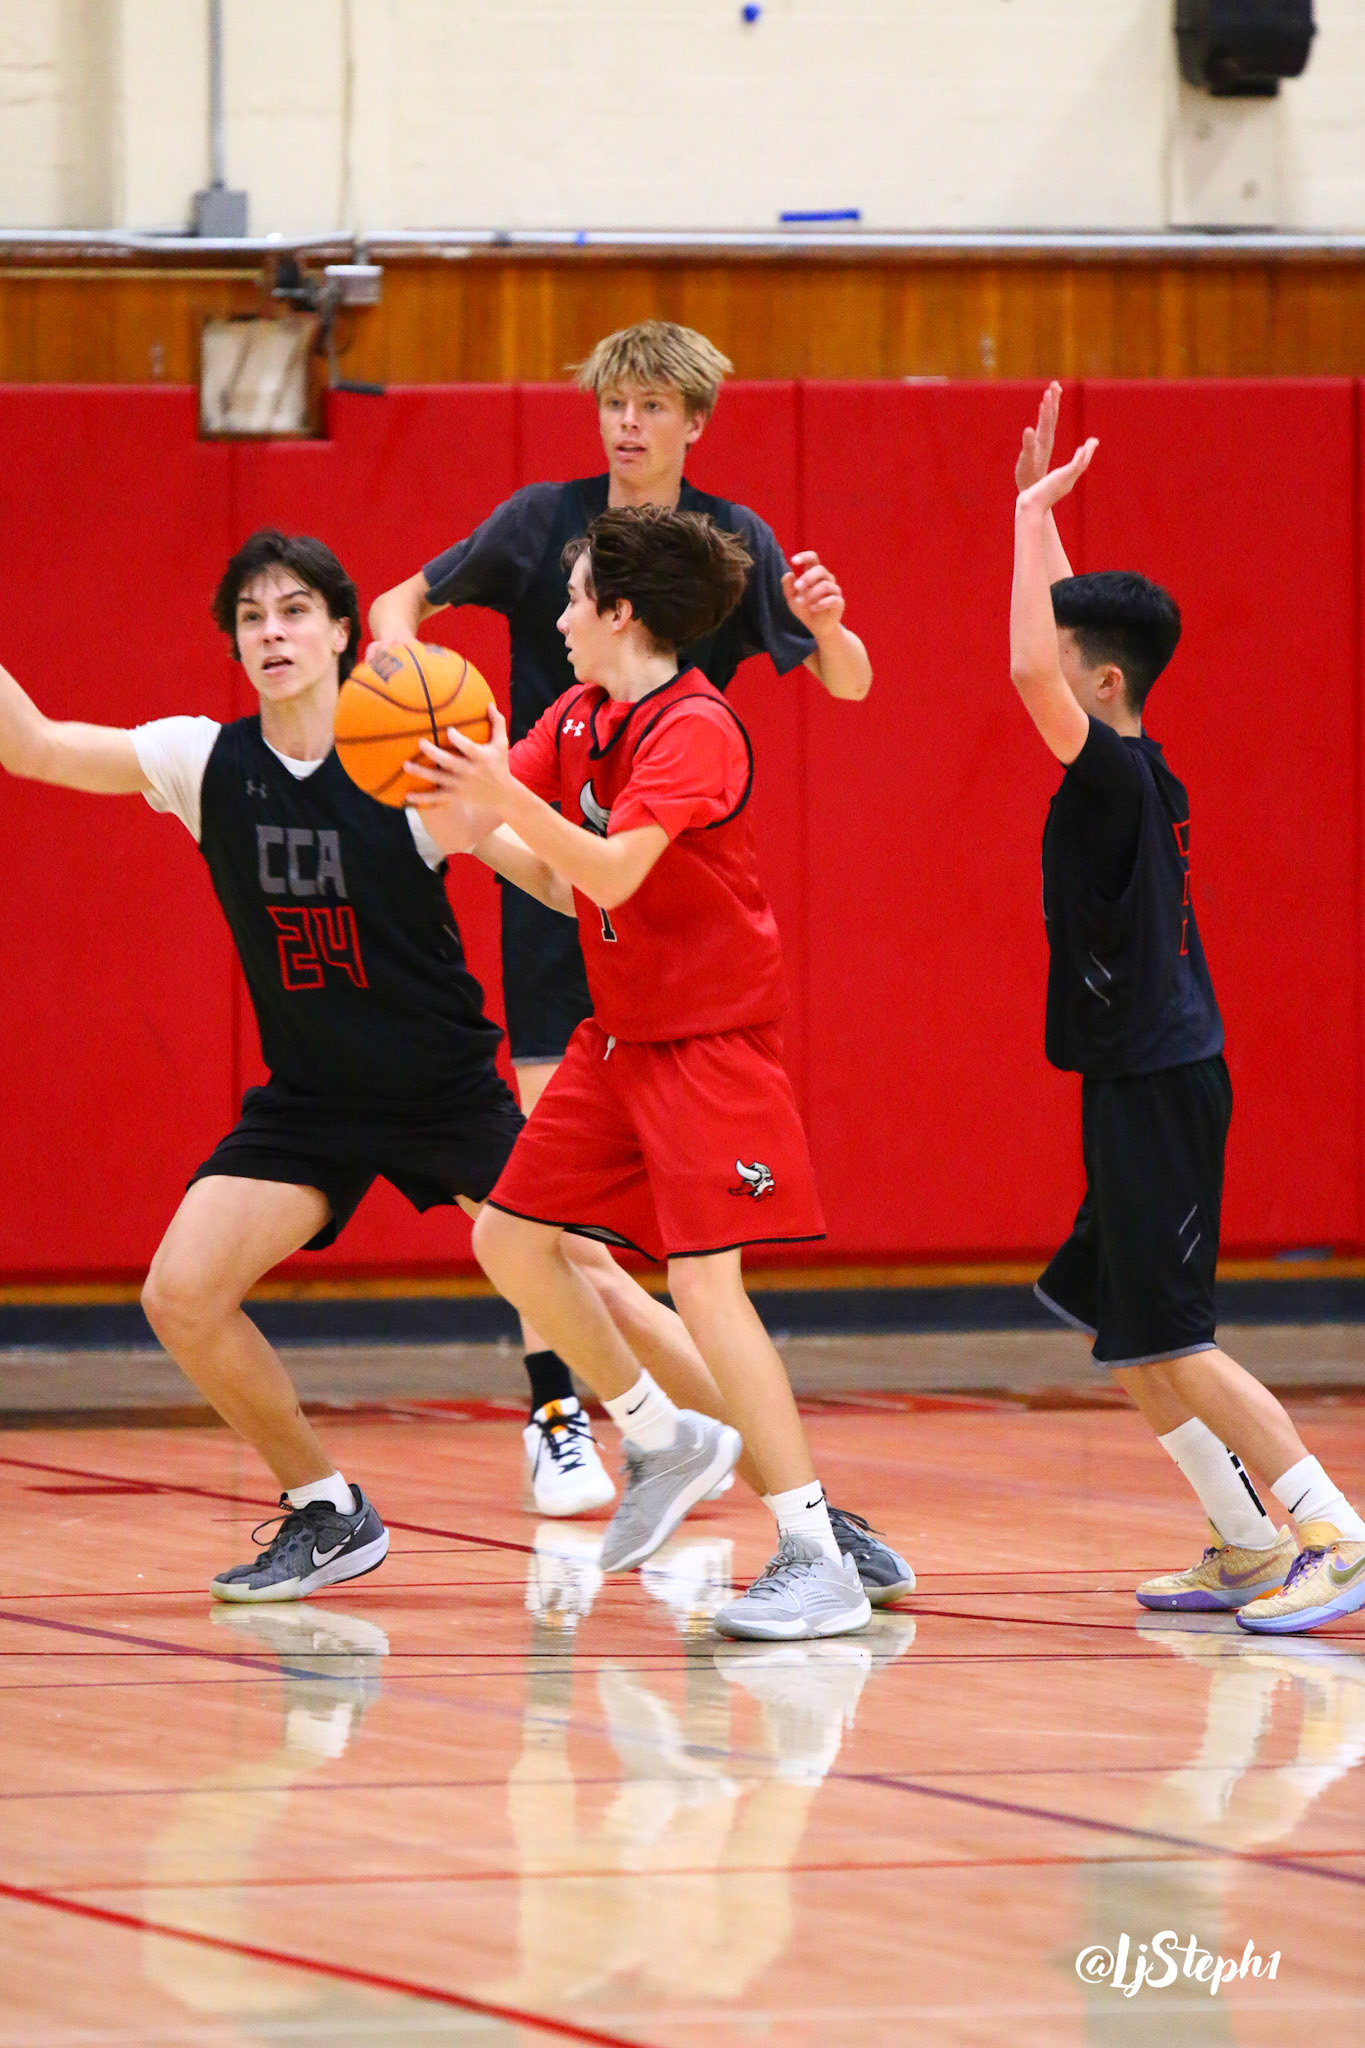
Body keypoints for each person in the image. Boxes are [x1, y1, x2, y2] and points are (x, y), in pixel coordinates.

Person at [0, 529, 726, 1597]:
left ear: (344, 631)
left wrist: (510, 812)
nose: (273, 633)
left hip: (441, 1089)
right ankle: (326, 1507)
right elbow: (34, 745)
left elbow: (555, 886)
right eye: (252, 617)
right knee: (181, 1294)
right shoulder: (203, 761)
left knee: (595, 1278)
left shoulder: (404, 763)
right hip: (312, 1099)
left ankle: (809, 1509)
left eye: (295, 611)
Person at [367, 322, 892, 1561]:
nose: (626, 423)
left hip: (697, 1006)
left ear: (614, 607)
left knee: (701, 1279)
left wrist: (494, 799)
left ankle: (811, 1535)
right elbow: (551, 871)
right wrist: (432, 780)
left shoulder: (692, 715)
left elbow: (605, 863)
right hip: (612, 986)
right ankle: (645, 1428)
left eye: (652, 405)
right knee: (517, 1233)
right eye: (615, 403)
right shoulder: (573, 708)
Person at [1009, 387, 1365, 1636]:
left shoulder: (1111, 775)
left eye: (1067, 660)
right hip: (1134, 1073)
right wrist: (1041, 517)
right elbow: (1056, 640)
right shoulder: (1133, 765)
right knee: (1127, 1334)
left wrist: (1022, 520)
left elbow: (1028, 661)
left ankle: (1334, 1529)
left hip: (1160, 1079)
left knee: (1179, 1336)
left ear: (1102, 682)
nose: (1042, 665)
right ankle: (1247, 1541)